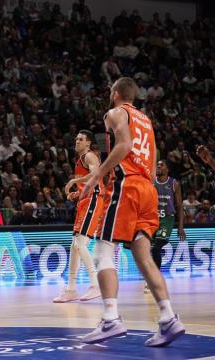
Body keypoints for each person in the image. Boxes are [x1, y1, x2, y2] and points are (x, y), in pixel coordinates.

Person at [70, 77, 184, 346]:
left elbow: (124, 146)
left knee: (103, 250)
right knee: (143, 256)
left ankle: (110, 319)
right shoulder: (146, 120)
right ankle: (168, 318)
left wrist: (97, 174)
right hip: (149, 189)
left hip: (128, 187)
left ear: (116, 93)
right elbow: (153, 164)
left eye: (111, 91)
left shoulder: (115, 113)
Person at [55, 130, 102, 303]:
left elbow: (96, 177)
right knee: (75, 246)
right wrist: (77, 193)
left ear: (88, 143)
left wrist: (74, 182)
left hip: (94, 200)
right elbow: (87, 184)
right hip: (85, 201)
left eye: (81, 139)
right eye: (76, 139)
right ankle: (71, 289)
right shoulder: (79, 161)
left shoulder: (90, 156)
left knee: (80, 243)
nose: (77, 141)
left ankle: (96, 284)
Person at [145, 160, 186, 293]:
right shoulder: (151, 181)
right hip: (152, 219)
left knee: (156, 248)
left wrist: (180, 226)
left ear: (167, 169)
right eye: (157, 165)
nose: (158, 166)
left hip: (167, 220)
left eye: (162, 165)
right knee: (147, 249)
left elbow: (179, 206)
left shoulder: (174, 184)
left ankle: (154, 281)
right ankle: (152, 279)